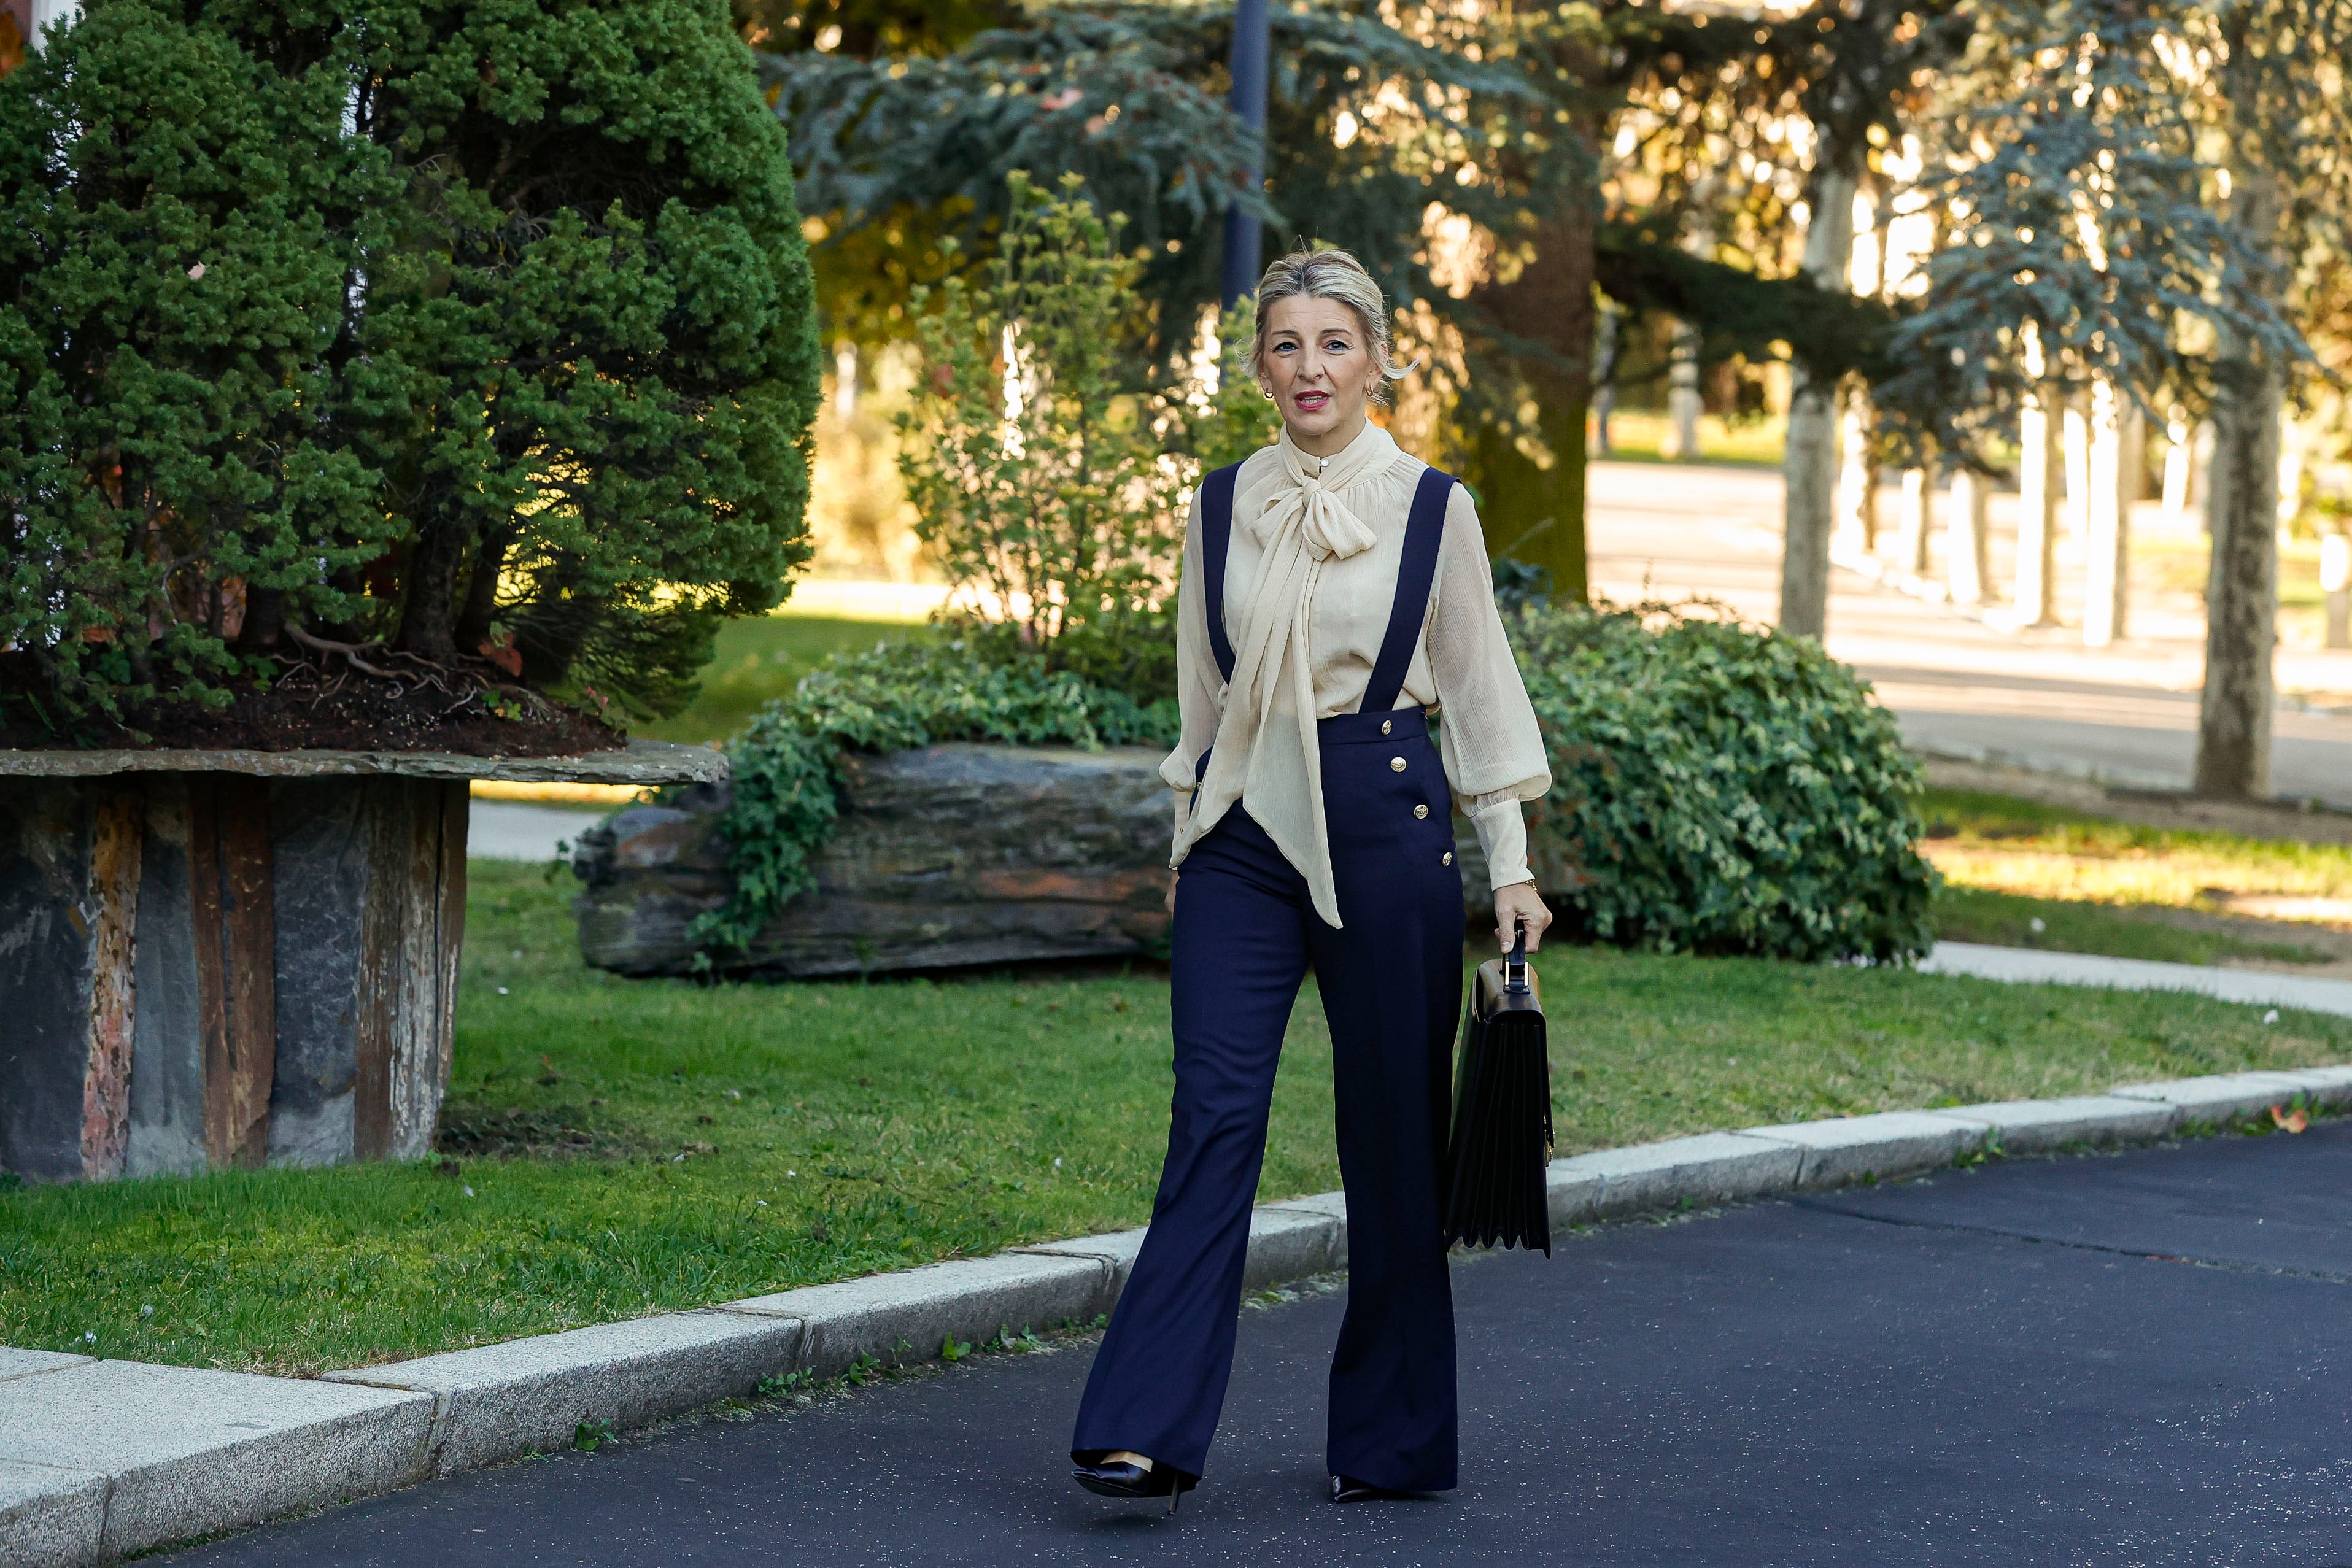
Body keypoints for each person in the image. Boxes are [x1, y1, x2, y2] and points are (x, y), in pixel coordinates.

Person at [1067, 247, 1553, 1510]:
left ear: (1377, 358)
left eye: (1332, 343)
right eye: (1285, 345)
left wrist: (1508, 864)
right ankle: (1142, 1427)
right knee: (1213, 1118)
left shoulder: (1432, 507)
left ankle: (1388, 1443)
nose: (1309, 369)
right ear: (1259, 367)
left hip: (1387, 824)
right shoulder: (1221, 503)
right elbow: (1198, 694)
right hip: (1241, 834)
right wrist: (1184, 838)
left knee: (1391, 1134)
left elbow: (1479, 692)